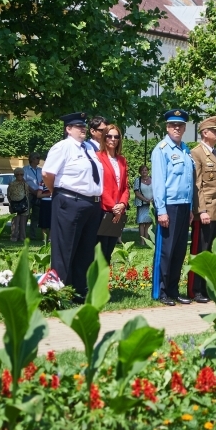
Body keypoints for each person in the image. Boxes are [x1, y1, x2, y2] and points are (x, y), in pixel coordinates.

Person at [43, 112, 104, 299]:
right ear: (68, 129)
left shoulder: (89, 149)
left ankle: (79, 290)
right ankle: (61, 292)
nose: (83, 129)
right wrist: (58, 193)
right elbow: (47, 173)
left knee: (85, 250)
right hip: (70, 201)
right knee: (65, 249)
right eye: (78, 126)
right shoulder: (63, 147)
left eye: (84, 125)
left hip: (91, 204)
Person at [151, 109, 195, 306]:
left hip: (184, 206)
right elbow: (159, 183)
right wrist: (161, 210)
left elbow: (188, 182)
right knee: (166, 251)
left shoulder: (185, 149)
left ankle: (174, 290)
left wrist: (192, 208)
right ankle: (161, 291)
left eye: (180, 125)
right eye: (172, 125)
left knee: (178, 251)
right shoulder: (161, 150)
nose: (176, 128)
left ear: (185, 128)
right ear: (167, 127)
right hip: (169, 206)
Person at [187, 116, 216, 303]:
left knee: (210, 251)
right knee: (200, 250)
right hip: (205, 211)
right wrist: (201, 210)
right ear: (205, 133)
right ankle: (195, 290)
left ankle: (204, 288)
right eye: (215, 131)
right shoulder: (197, 153)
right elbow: (197, 185)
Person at [96, 124, 129, 263]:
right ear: (104, 138)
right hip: (103, 210)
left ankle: (104, 283)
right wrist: (113, 206)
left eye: (116, 136)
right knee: (100, 251)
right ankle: (94, 283)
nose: (113, 139)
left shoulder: (122, 160)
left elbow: (125, 187)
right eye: (109, 136)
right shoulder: (97, 157)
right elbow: (99, 186)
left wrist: (122, 204)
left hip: (117, 212)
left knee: (109, 250)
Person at [7, 167, 31, 242]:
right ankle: (14, 237)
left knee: (23, 223)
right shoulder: (11, 184)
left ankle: (22, 238)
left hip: (24, 205)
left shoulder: (25, 184)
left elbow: (27, 193)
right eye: (18, 174)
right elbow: (8, 195)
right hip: (15, 205)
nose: (20, 176)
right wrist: (11, 203)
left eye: (21, 174)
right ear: (15, 175)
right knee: (15, 222)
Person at [24, 152, 44, 240]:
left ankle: (33, 235)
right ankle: (23, 234)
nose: (39, 159)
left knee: (36, 216)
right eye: (37, 158)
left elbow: (43, 182)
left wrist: (39, 191)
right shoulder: (25, 170)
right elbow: (23, 182)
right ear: (32, 159)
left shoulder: (41, 170)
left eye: (39, 158)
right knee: (25, 214)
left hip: (38, 195)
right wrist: (32, 191)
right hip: (29, 194)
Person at [133, 165, 153, 246]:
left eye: (145, 170)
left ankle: (147, 240)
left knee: (148, 222)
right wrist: (146, 200)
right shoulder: (138, 180)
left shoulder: (153, 179)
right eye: (142, 170)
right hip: (142, 204)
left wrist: (152, 200)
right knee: (141, 223)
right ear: (140, 172)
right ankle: (142, 242)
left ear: (148, 171)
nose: (144, 172)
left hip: (151, 204)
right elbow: (137, 193)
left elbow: (156, 190)